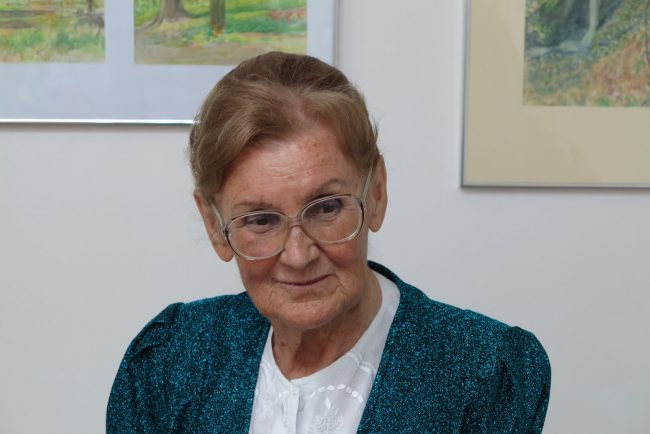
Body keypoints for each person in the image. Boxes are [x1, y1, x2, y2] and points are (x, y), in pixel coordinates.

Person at [107, 52, 551, 433]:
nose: (298, 256)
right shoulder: (168, 363)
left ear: (376, 194)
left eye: (325, 208)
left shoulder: (483, 372)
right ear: (213, 225)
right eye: (260, 220)